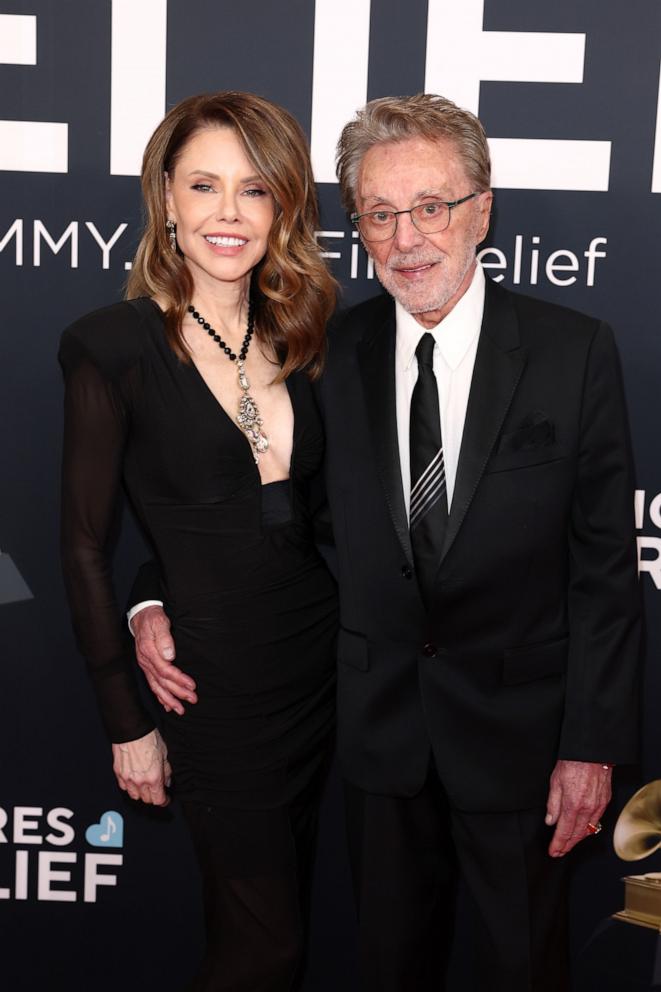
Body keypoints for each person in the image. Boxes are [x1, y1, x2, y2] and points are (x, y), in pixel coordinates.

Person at [129, 94, 642, 991]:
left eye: (431, 207)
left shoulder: (574, 352)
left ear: (482, 209)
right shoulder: (325, 351)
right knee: (388, 968)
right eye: (378, 213)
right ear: (355, 226)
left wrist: (589, 744)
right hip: (378, 742)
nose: (407, 238)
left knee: (526, 967)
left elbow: (603, 571)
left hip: (523, 747)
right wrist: (149, 592)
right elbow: (253, 505)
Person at [59, 91, 338, 992]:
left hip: (321, 676)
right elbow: (81, 543)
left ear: (281, 208)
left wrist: (151, 590)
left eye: (253, 190)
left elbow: (296, 518)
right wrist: (126, 722)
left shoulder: (309, 337)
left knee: (276, 933)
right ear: (166, 202)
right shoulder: (113, 348)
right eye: (204, 186)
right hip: (212, 696)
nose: (228, 213)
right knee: (266, 948)